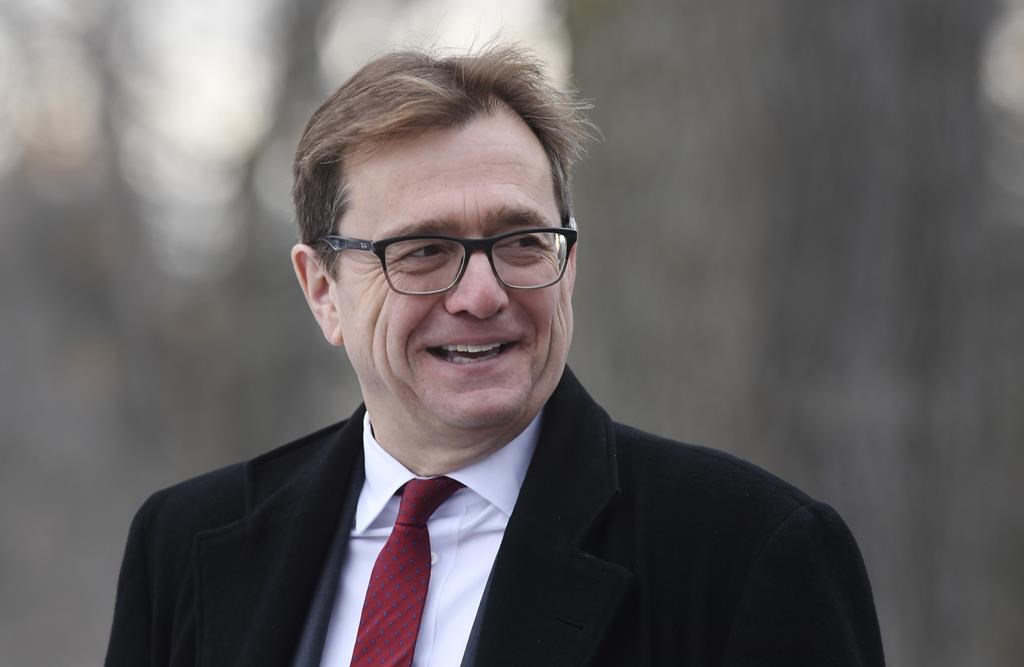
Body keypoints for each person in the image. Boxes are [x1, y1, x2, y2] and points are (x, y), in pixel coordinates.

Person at [105, 45, 885, 667]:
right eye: (423, 250)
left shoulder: (749, 553)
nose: (481, 292)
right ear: (323, 291)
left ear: (568, 264)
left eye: (519, 241)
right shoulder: (187, 548)